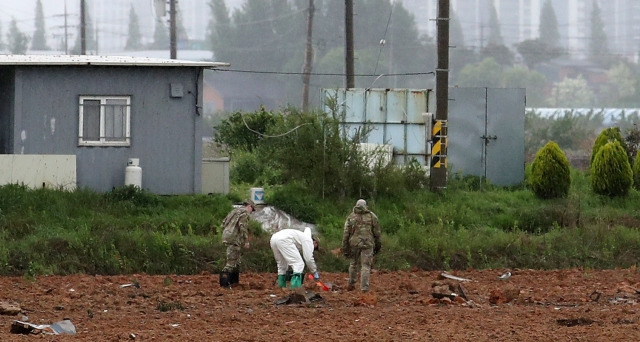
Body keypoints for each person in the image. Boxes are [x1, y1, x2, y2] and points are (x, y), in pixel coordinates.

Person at [341, 199, 381, 292]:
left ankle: (351, 284)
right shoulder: (372, 216)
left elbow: (346, 234)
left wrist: (345, 248)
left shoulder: (351, 217)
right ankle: (364, 288)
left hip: (354, 244)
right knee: (366, 266)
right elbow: (377, 233)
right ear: (365, 205)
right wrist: (378, 246)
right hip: (368, 244)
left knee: (353, 264)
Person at [220, 199, 255, 287]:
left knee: (237, 261)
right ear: (249, 206)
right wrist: (246, 240)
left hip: (227, 236)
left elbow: (223, 223)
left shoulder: (234, 211)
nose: (251, 212)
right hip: (234, 238)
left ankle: (234, 282)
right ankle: (224, 284)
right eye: (252, 209)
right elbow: (242, 226)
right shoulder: (245, 213)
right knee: (231, 262)